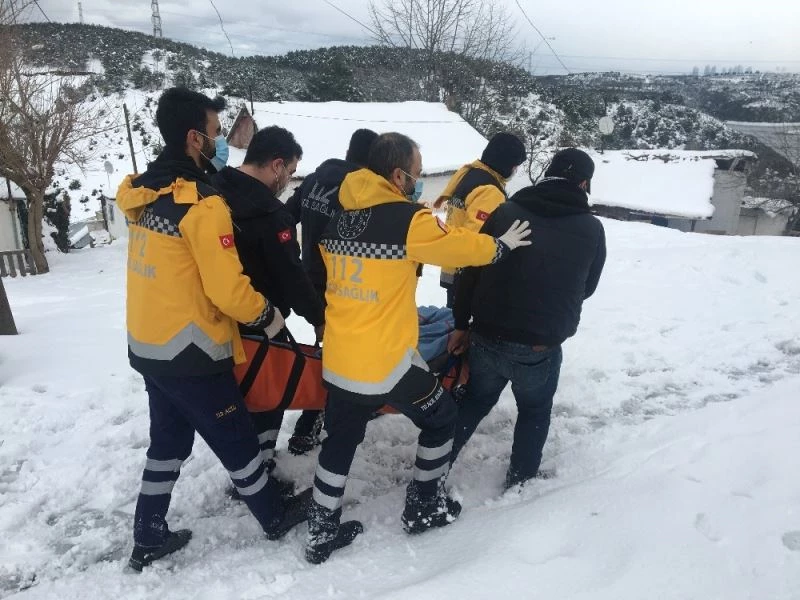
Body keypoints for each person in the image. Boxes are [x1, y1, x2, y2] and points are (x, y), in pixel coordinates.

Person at [304, 132, 533, 564]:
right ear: (397, 175)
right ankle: (425, 503)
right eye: (417, 171)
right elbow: (459, 246)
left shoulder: (338, 216)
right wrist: (500, 247)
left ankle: (321, 529)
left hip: (340, 356)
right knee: (442, 417)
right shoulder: (407, 219)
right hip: (387, 362)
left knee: (341, 438)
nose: (420, 180)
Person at [116, 88, 308, 572]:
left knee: (169, 443)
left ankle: (148, 535)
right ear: (193, 137)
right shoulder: (202, 205)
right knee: (237, 438)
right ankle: (274, 516)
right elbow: (227, 289)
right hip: (192, 349)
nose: (221, 143)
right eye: (216, 133)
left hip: (148, 343)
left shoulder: (143, 192)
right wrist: (268, 315)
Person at [448, 148, 607, 490]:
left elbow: (470, 271)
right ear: (583, 183)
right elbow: (587, 287)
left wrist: (461, 324)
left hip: (486, 334)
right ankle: (520, 480)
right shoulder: (591, 230)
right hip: (539, 344)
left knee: (475, 400)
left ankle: (434, 468)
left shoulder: (505, 212)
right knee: (534, 410)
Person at [212, 125, 327, 479]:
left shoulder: (213, 190)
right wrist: (318, 318)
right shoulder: (269, 214)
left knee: (235, 396)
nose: (288, 180)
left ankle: (245, 463)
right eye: (290, 172)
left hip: (214, 319)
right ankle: (258, 469)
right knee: (267, 392)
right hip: (262, 321)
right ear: (277, 165)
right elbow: (291, 275)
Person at [283, 128, 379, 455]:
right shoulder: (358, 189)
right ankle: (309, 426)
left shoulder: (316, 178)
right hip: (341, 288)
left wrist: (291, 258)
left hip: (308, 280)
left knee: (331, 352)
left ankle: (317, 419)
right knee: (339, 358)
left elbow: (285, 217)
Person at [435, 132, 527, 307]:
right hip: (467, 275)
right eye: (515, 166)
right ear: (506, 164)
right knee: (463, 329)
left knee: (454, 322)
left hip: (452, 264)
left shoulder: (468, 174)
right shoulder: (489, 190)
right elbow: (477, 239)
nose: (515, 171)